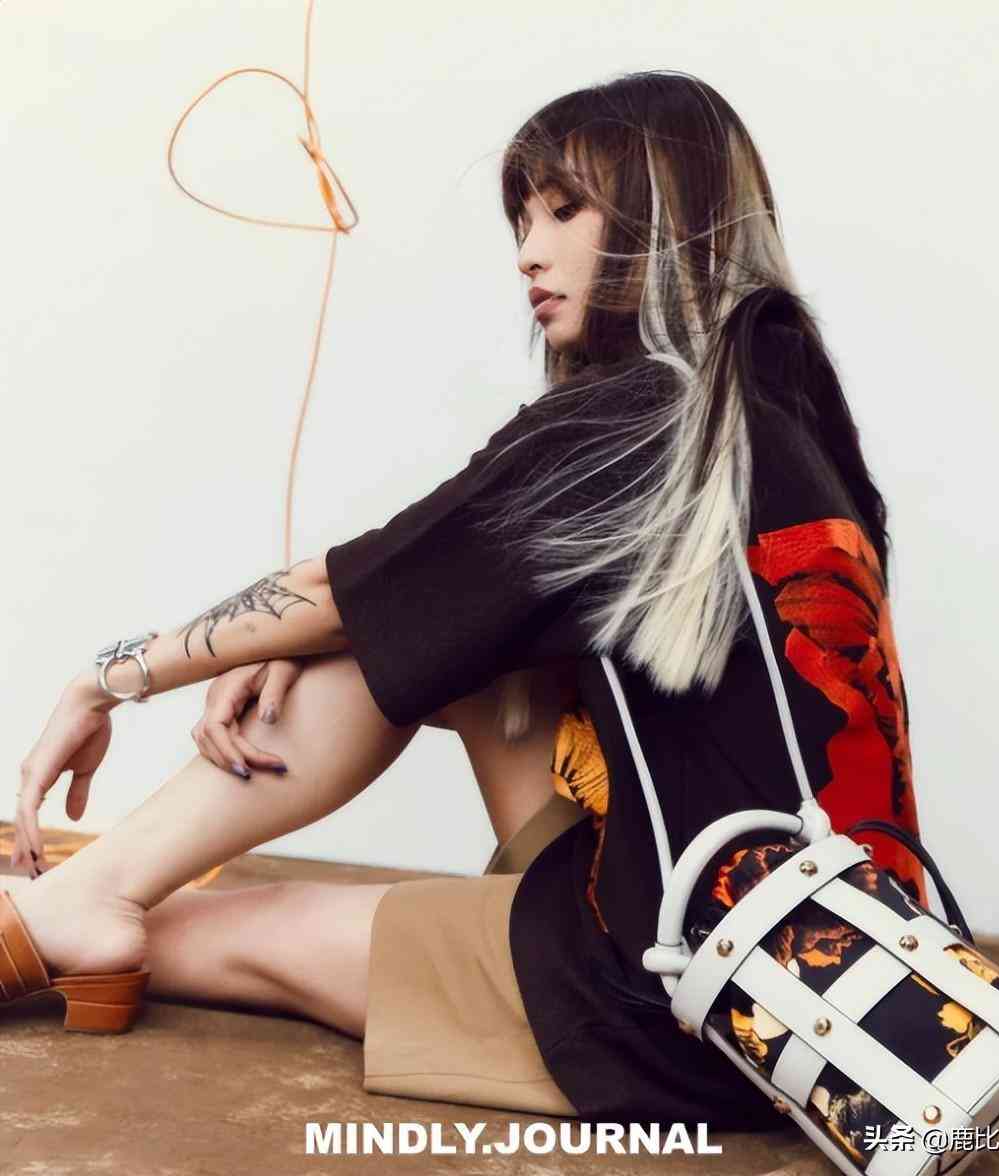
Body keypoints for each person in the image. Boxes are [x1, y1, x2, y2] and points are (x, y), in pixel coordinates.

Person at [4, 70, 926, 1131]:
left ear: (668, 212)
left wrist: (105, 680)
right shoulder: (776, 411)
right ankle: (83, 901)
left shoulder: (632, 421)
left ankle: (73, 909)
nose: (529, 252)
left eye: (565, 210)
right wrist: (326, 625)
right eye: (522, 221)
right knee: (385, 624)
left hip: (682, 1004)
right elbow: (399, 585)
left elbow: (344, 586)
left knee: (219, 922)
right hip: (809, 959)